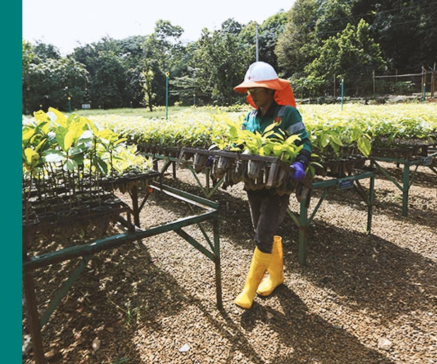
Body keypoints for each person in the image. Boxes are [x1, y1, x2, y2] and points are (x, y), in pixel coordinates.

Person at [232, 61, 312, 309]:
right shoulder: (249, 117)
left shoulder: (287, 113)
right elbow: (240, 145)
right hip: (254, 184)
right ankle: (276, 276)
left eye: (256, 89)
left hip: (278, 185)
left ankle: (249, 289)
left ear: (270, 90)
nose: (251, 94)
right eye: (249, 90)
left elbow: (305, 142)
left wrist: (300, 163)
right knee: (261, 229)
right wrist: (226, 152)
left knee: (263, 233)